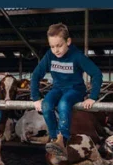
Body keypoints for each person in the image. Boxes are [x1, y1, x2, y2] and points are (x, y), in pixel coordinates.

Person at [29, 23, 102, 156]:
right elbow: (35, 75)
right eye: (52, 46)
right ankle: (54, 139)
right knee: (46, 105)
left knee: (63, 104)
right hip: (58, 88)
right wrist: (35, 98)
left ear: (68, 41)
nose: (56, 50)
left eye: (59, 45)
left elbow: (96, 73)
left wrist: (93, 96)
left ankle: (63, 139)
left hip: (75, 90)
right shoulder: (49, 56)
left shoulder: (77, 56)